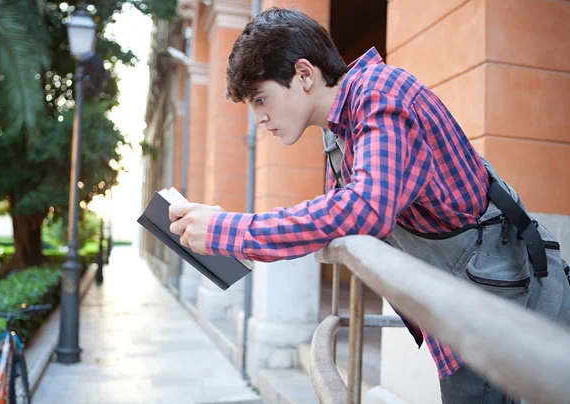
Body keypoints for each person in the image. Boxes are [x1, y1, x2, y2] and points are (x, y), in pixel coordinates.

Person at [168, 7, 570, 403]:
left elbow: (364, 209)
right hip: (470, 307)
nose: (259, 118)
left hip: (509, 306)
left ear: (304, 75)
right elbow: (337, 217)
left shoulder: (380, 95)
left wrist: (234, 231)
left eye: (261, 99)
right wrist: (239, 240)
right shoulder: (339, 127)